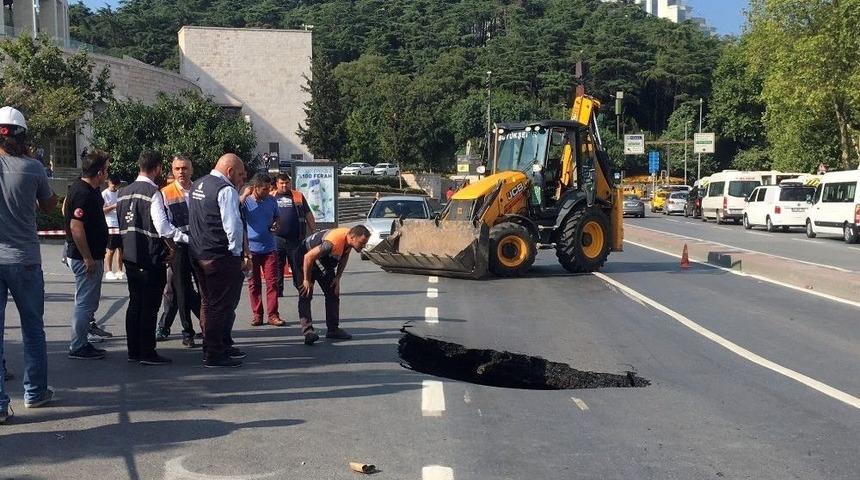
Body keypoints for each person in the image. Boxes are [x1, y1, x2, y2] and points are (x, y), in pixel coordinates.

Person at [0, 106, 57, 422]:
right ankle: (35, 393)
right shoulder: (33, 167)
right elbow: (48, 202)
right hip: (25, 261)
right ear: (22, 136)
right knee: (32, 328)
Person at [189, 153, 250, 368]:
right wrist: (237, 255)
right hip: (219, 256)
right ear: (230, 171)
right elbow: (233, 226)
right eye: (241, 175)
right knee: (221, 307)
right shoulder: (226, 191)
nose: (243, 180)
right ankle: (215, 353)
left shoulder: (197, 184)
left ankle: (214, 346)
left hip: (199, 254)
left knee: (208, 303)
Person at [117, 151, 172, 365]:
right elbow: (162, 227)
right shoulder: (153, 192)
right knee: (150, 306)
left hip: (130, 255)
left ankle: (133, 351)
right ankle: (147, 352)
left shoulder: (123, 192)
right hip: (150, 257)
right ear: (157, 168)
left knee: (135, 303)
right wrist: (173, 246)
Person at [65, 150, 111, 360]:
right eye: (106, 170)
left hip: (92, 254)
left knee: (86, 300)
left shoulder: (87, 189)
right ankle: (78, 345)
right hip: (86, 257)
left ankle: (81, 339)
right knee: (85, 302)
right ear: (100, 172)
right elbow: (76, 227)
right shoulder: (82, 192)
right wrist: (87, 257)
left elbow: (66, 208)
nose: (107, 174)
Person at [294, 225, 370, 345]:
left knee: (333, 292)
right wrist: (307, 280)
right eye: (362, 243)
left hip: (322, 262)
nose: (363, 246)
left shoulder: (348, 241)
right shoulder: (331, 243)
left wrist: (337, 278)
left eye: (365, 243)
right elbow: (308, 257)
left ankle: (333, 329)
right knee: (306, 294)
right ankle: (308, 332)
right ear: (352, 237)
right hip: (305, 260)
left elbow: (345, 256)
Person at [155, 156, 201, 347]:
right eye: (177, 169)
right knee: (181, 291)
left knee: (204, 289)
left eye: (185, 168)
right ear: (172, 171)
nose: (181, 172)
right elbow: (164, 225)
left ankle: (207, 325)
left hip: (199, 246)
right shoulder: (165, 193)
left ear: (191, 170)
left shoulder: (200, 189)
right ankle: (187, 331)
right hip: (179, 247)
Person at [241, 174, 285, 327]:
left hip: (269, 248)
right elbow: (233, 209)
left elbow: (277, 218)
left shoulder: (271, 200)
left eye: (269, 188)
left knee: (272, 283)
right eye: (264, 189)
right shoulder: (246, 202)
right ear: (255, 188)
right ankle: (257, 314)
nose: (268, 191)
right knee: (254, 284)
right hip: (251, 250)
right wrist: (244, 195)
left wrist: (276, 225)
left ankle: (273, 315)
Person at [272, 173, 315, 297]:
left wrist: (313, 230)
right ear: (277, 184)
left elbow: (308, 214)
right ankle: (278, 291)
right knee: (277, 266)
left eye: (286, 183)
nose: (284, 185)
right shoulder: (271, 196)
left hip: (295, 239)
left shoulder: (297, 196)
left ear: (290, 183)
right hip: (276, 238)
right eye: (281, 183)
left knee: (297, 265)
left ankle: (301, 288)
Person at [102, 174, 124, 281]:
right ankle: (109, 270)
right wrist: (113, 206)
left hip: (120, 223)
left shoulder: (120, 193)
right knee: (110, 249)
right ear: (108, 182)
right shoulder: (104, 194)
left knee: (121, 249)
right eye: (113, 185)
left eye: (117, 185)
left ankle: (120, 270)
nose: (115, 187)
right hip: (110, 223)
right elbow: (102, 210)